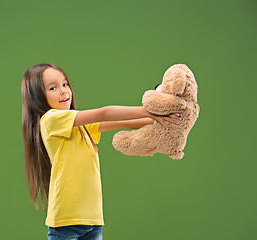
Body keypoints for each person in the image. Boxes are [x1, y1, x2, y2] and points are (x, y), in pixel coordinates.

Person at [21, 63, 181, 240]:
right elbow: (104, 113)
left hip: (93, 220)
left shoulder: (79, 127)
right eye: (53, 87)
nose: (63, 91)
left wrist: (164, 118)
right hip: (66, 224)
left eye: (65, 84)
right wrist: (150, 110)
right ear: (37, 97)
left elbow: (125, 123)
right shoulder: (50, 120)